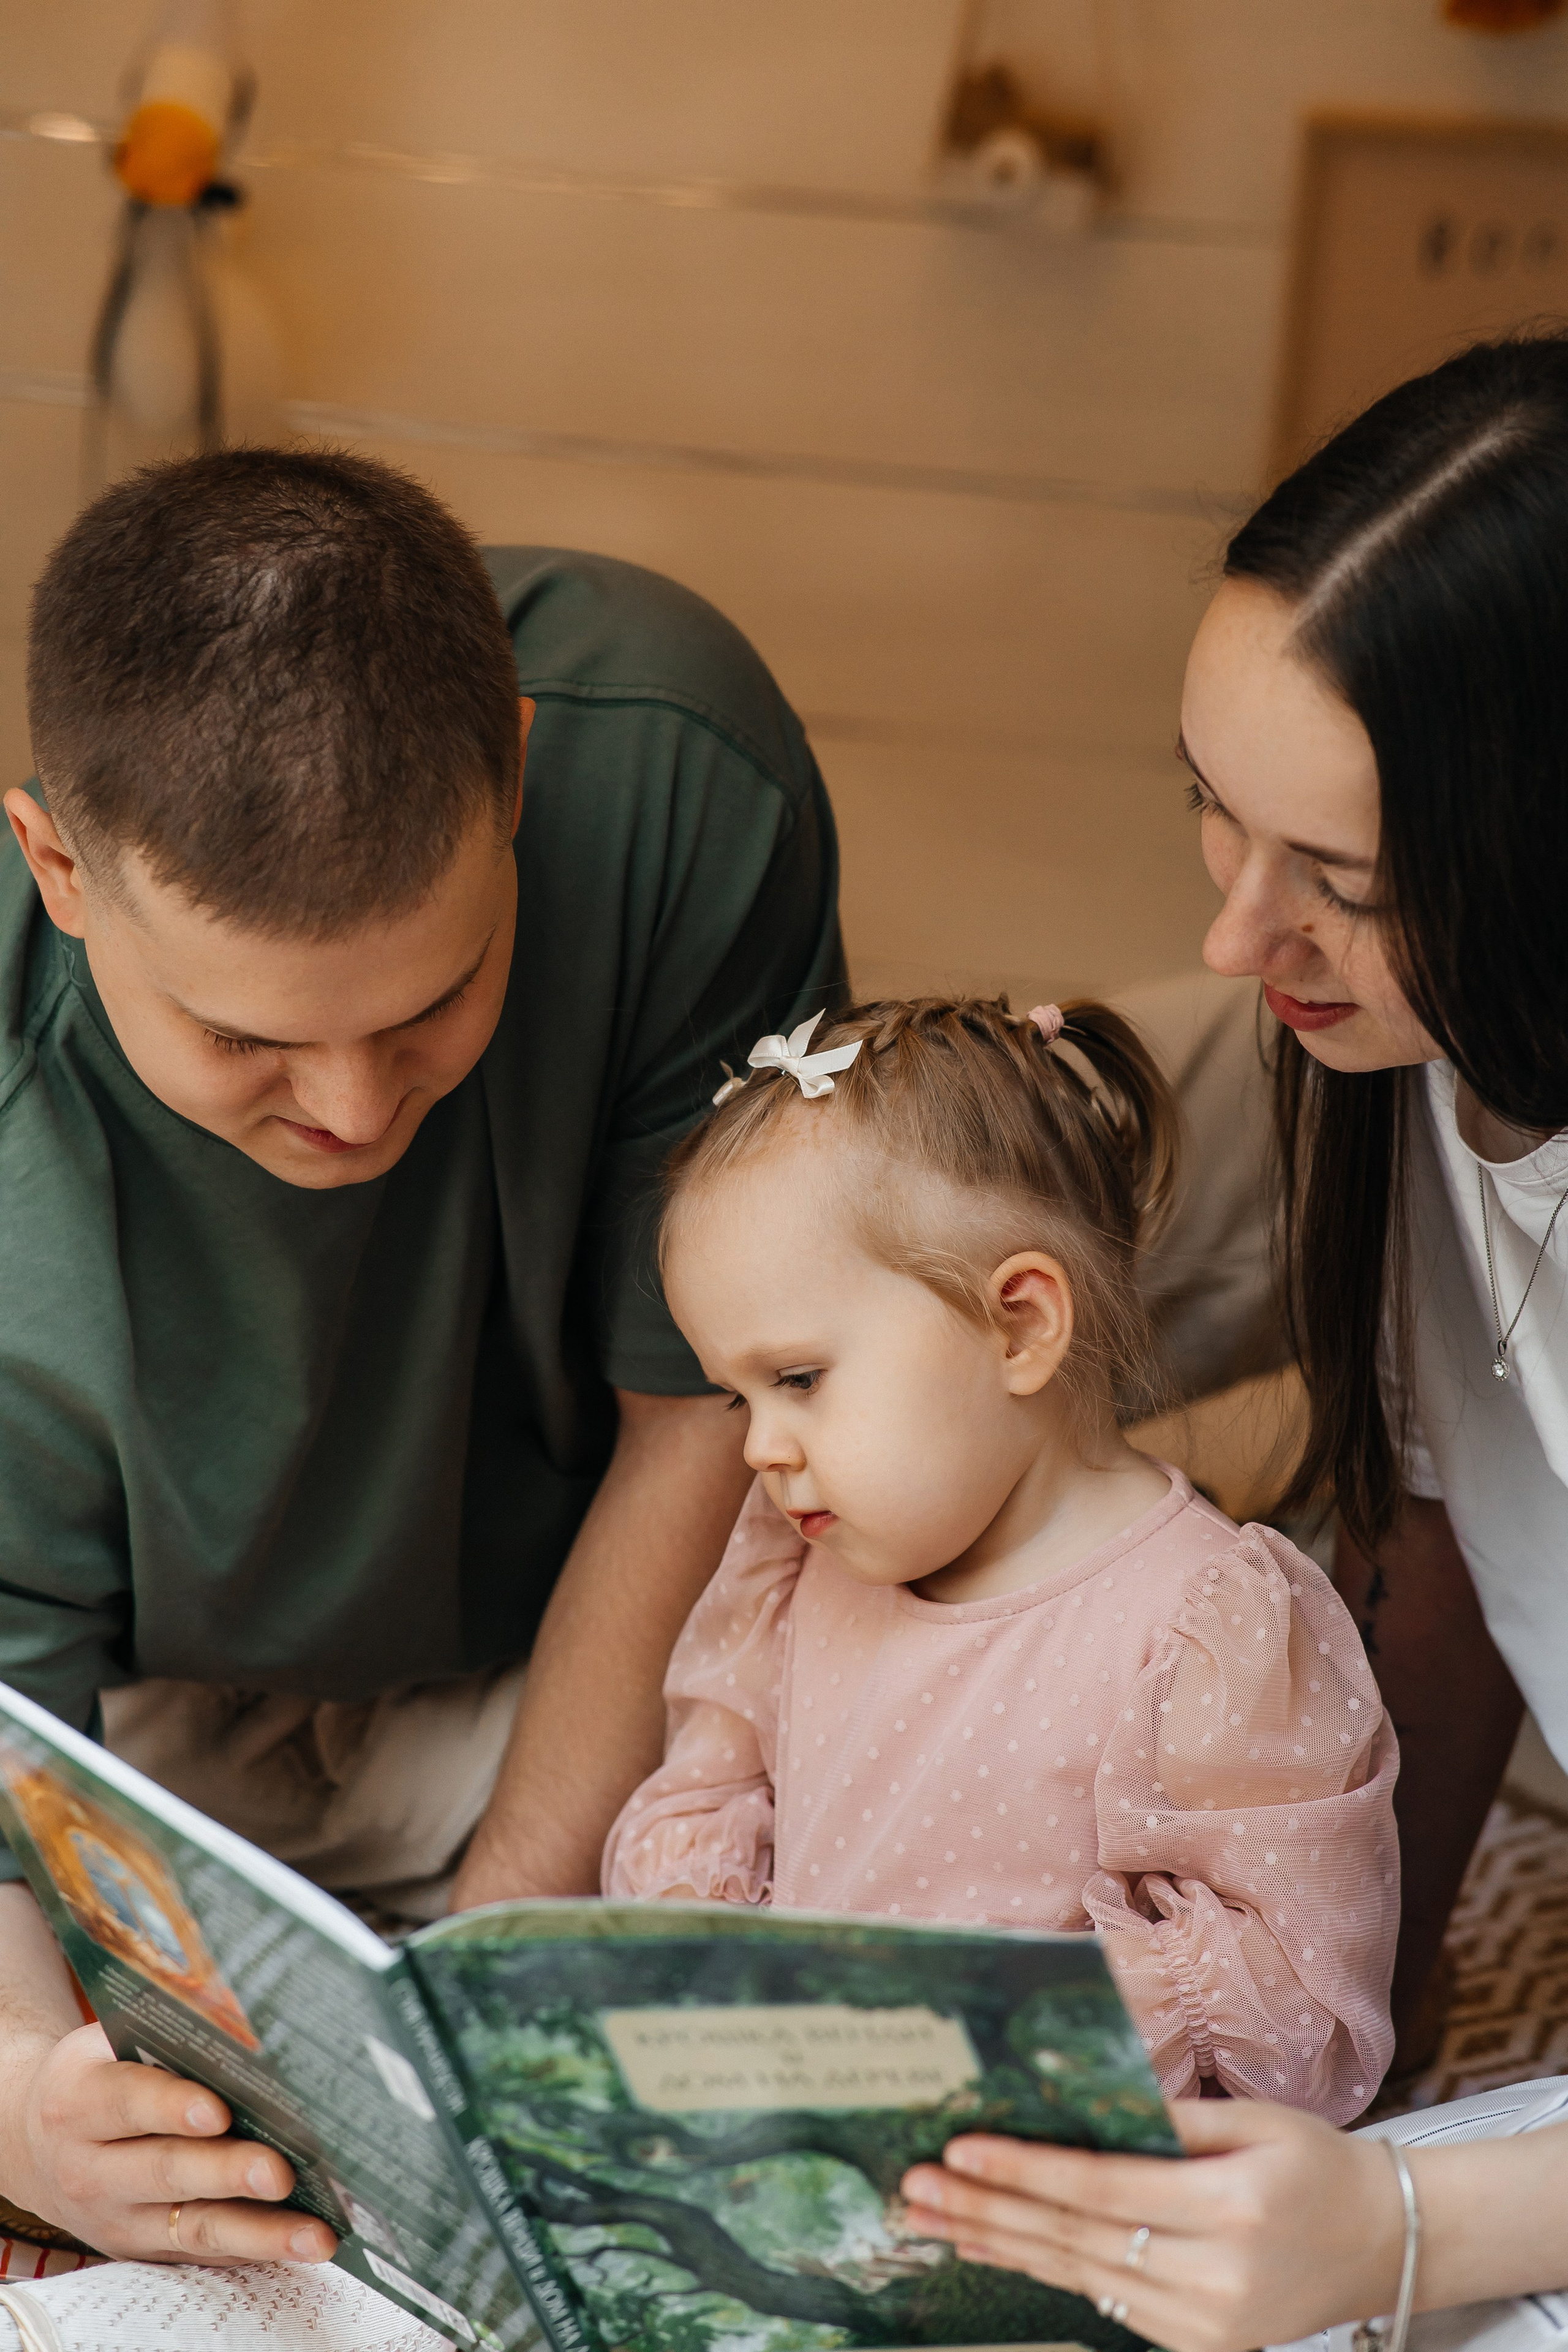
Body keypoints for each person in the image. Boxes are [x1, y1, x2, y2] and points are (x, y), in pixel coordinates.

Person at [0, 446, 842, 2264]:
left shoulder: (680, 769)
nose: (358, 1105)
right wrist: (20, 2086)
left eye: (434, 999)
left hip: (559, 1665)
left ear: (518, 773)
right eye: (247, 1040)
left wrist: (483, 1979)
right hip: (122, 1749)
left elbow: (700, 1411)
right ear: (57, 866)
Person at [897, 333, 1568, 2340]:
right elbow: (1449, 1529)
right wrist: (1356, 2037)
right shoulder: (1423, 1074)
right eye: (1214, 815)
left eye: (1342, 883)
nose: (1232, 937)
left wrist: (1414, 2233)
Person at [602, 993, 1398, 2120]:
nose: (760, 1448)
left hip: (1053, 2184)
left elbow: (1298, 2020)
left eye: (798, 1381)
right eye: (736, 1396)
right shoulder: (798, 1561)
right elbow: (715, 1788)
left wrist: (992, 2044)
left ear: (1020, 1324)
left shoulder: (1204, 1623)